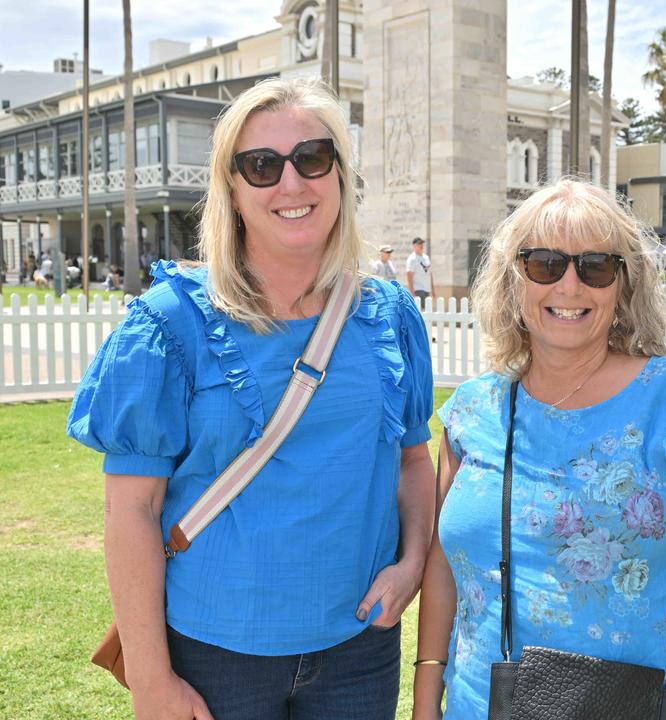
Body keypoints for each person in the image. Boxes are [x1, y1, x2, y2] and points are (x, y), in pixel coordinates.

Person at [66, 77, 436, 720]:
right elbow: (131, 510)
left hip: (359, 648)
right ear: (232, 191)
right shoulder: (167, 324)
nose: (291, 184)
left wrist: (410, 565)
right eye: (261, 166)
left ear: (341, 177)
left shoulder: (388, 315)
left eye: (312, 159)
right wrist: (151, 682)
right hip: (213, 654)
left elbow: (410, 462)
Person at [413, 179, 666, 720]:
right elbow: (444, 560)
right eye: (545, 264)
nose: (570, 286)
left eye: (595, 266)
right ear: (512, 281)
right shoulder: (470, 414)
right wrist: (427, 689)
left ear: (623, 284)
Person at [406, 237, 435, 310]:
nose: (421, 245)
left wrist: (433, 290)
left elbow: (429, 274)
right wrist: (412, 292)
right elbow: (409, 275)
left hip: (427, 289)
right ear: (414, 246)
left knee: (427, 311)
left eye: (422, 243)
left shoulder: (426, 257)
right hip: (418, 289)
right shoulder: (412, 258)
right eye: (419, 244)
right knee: (421, 310)